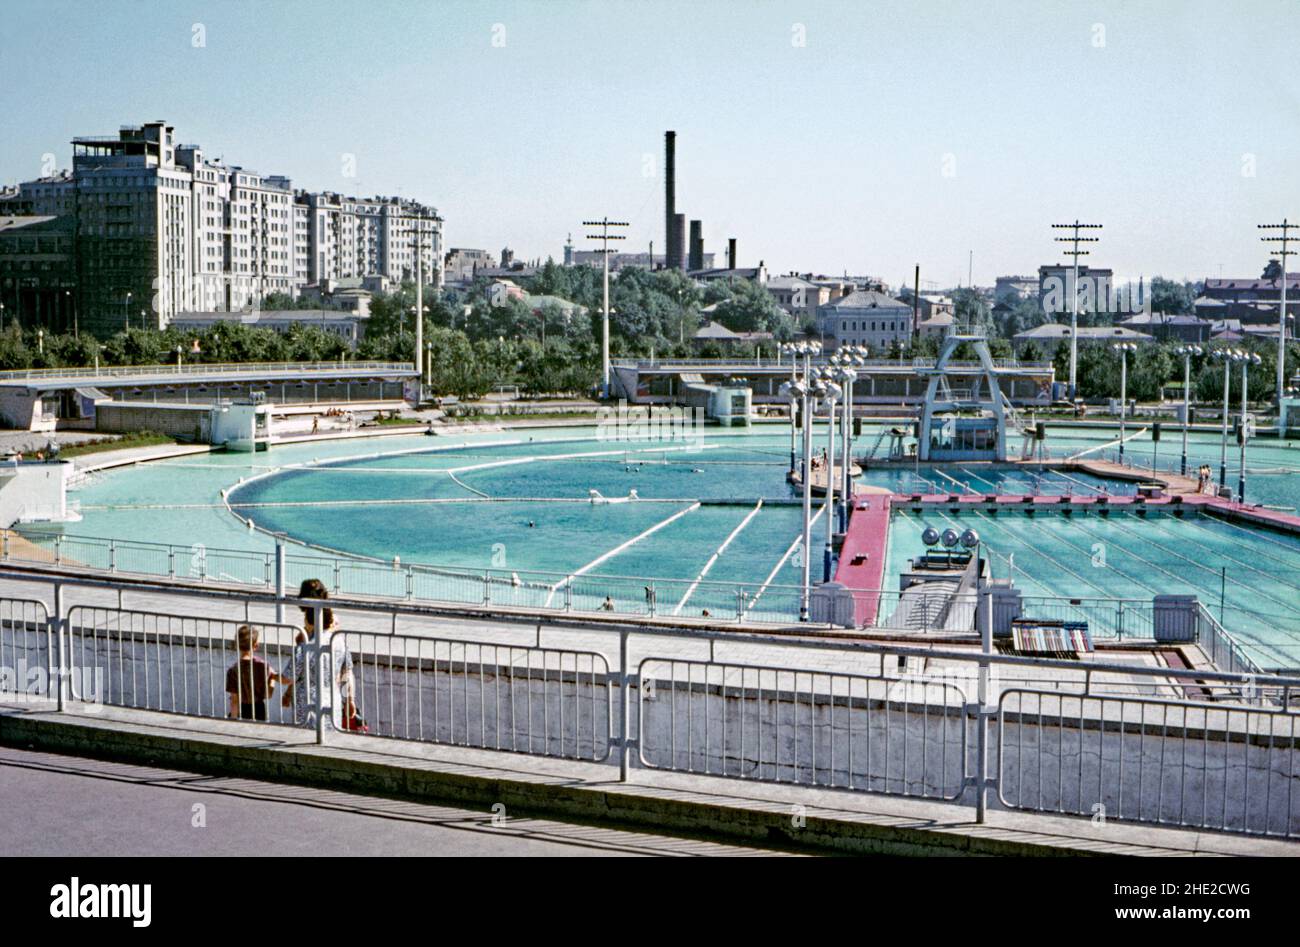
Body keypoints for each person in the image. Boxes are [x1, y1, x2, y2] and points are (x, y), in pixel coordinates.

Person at [281, 578, 367, 732]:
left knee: (306, 741)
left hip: (307, 703)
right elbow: (346, 671)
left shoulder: (307, 633)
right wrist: (349, 699)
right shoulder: (336, 634)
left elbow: (295, 671)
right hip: (331, 700)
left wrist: (281, 684)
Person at [225, 625, 282, 721]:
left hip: (241, 709)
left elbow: (234, 701)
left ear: (236, 645)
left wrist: (233, 720)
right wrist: (272, 678)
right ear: (256, 645)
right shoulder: (263, 667)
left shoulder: (232, 671)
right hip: (259, 709)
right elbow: (268, 695)